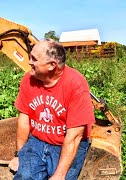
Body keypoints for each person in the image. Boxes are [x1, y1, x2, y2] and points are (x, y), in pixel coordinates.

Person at [8, 39, 95, 180]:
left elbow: (74, 136)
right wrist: (18, 155)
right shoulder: (28, 80)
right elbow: (24, 120)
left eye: (34, 59)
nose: (29, 62)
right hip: (37, 140)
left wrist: (59, 175)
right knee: (24, 177)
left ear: (51, 65)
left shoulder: (75, 84)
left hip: (65, 144)